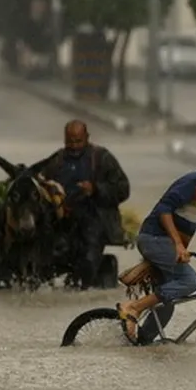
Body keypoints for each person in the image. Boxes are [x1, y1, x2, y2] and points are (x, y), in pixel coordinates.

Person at [115, 142, 196, 342]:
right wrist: (178, 245)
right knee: (190, 281)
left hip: (162, 243)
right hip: (155, 239)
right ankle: (133, 308)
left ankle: (140, 345)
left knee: (166, 306)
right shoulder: (193, 182)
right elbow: (164, 209)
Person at [36, 120, 131, 289]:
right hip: (62, 218)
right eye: (69, 141)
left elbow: (123, 189)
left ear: (87, 138)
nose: (73, 146)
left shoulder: (102, 158)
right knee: (47, 248)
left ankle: (84, 284)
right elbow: (41, 185)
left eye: (78, 141)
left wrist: (96, 189)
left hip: (94, 217)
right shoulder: (56, 160)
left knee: (88, 255)